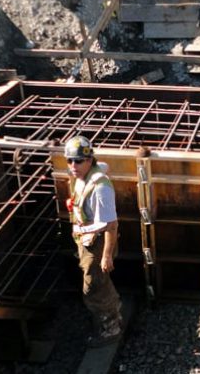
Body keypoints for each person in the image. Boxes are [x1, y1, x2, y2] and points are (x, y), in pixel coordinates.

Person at [64, 135, 122, 347]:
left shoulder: (101, 188)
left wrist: (106, 256)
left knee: (93, 288)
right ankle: (114, 311)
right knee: (100, 283)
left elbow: (111, 225)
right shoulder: (83, 177)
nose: (72, 165)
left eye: (78, 160)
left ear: (89, 160)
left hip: (96, 246)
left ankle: (110, 330)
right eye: (69, 160)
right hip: (87, 241)